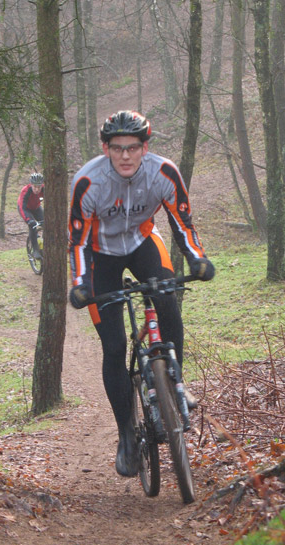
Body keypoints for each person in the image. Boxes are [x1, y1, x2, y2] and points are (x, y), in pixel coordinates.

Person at [68, 110, 215, 478]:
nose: (125, 156)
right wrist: (81, 283)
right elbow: (78, 241)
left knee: (167, 303)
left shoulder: (162, 172)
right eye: (117, 148)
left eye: (133, 147)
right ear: (105, 148)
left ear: (145, 147)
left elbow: (182, 222)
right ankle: (126, 437)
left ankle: (176, 386)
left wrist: (198, 259)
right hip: (100, 258)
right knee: (115, 347)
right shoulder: (88, 182)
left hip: (143, 244)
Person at [18, 173, 45, 259]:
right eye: (35, 187)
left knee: (46, 223)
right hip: (26, 209)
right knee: (32, 225)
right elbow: (22, 207)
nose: (37, 189)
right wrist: (28, 220)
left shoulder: (44, 189)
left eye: (39, 187)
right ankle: (35, 250)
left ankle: (45, 243)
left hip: (37, 207)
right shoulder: (25, 191)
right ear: (31, 185)